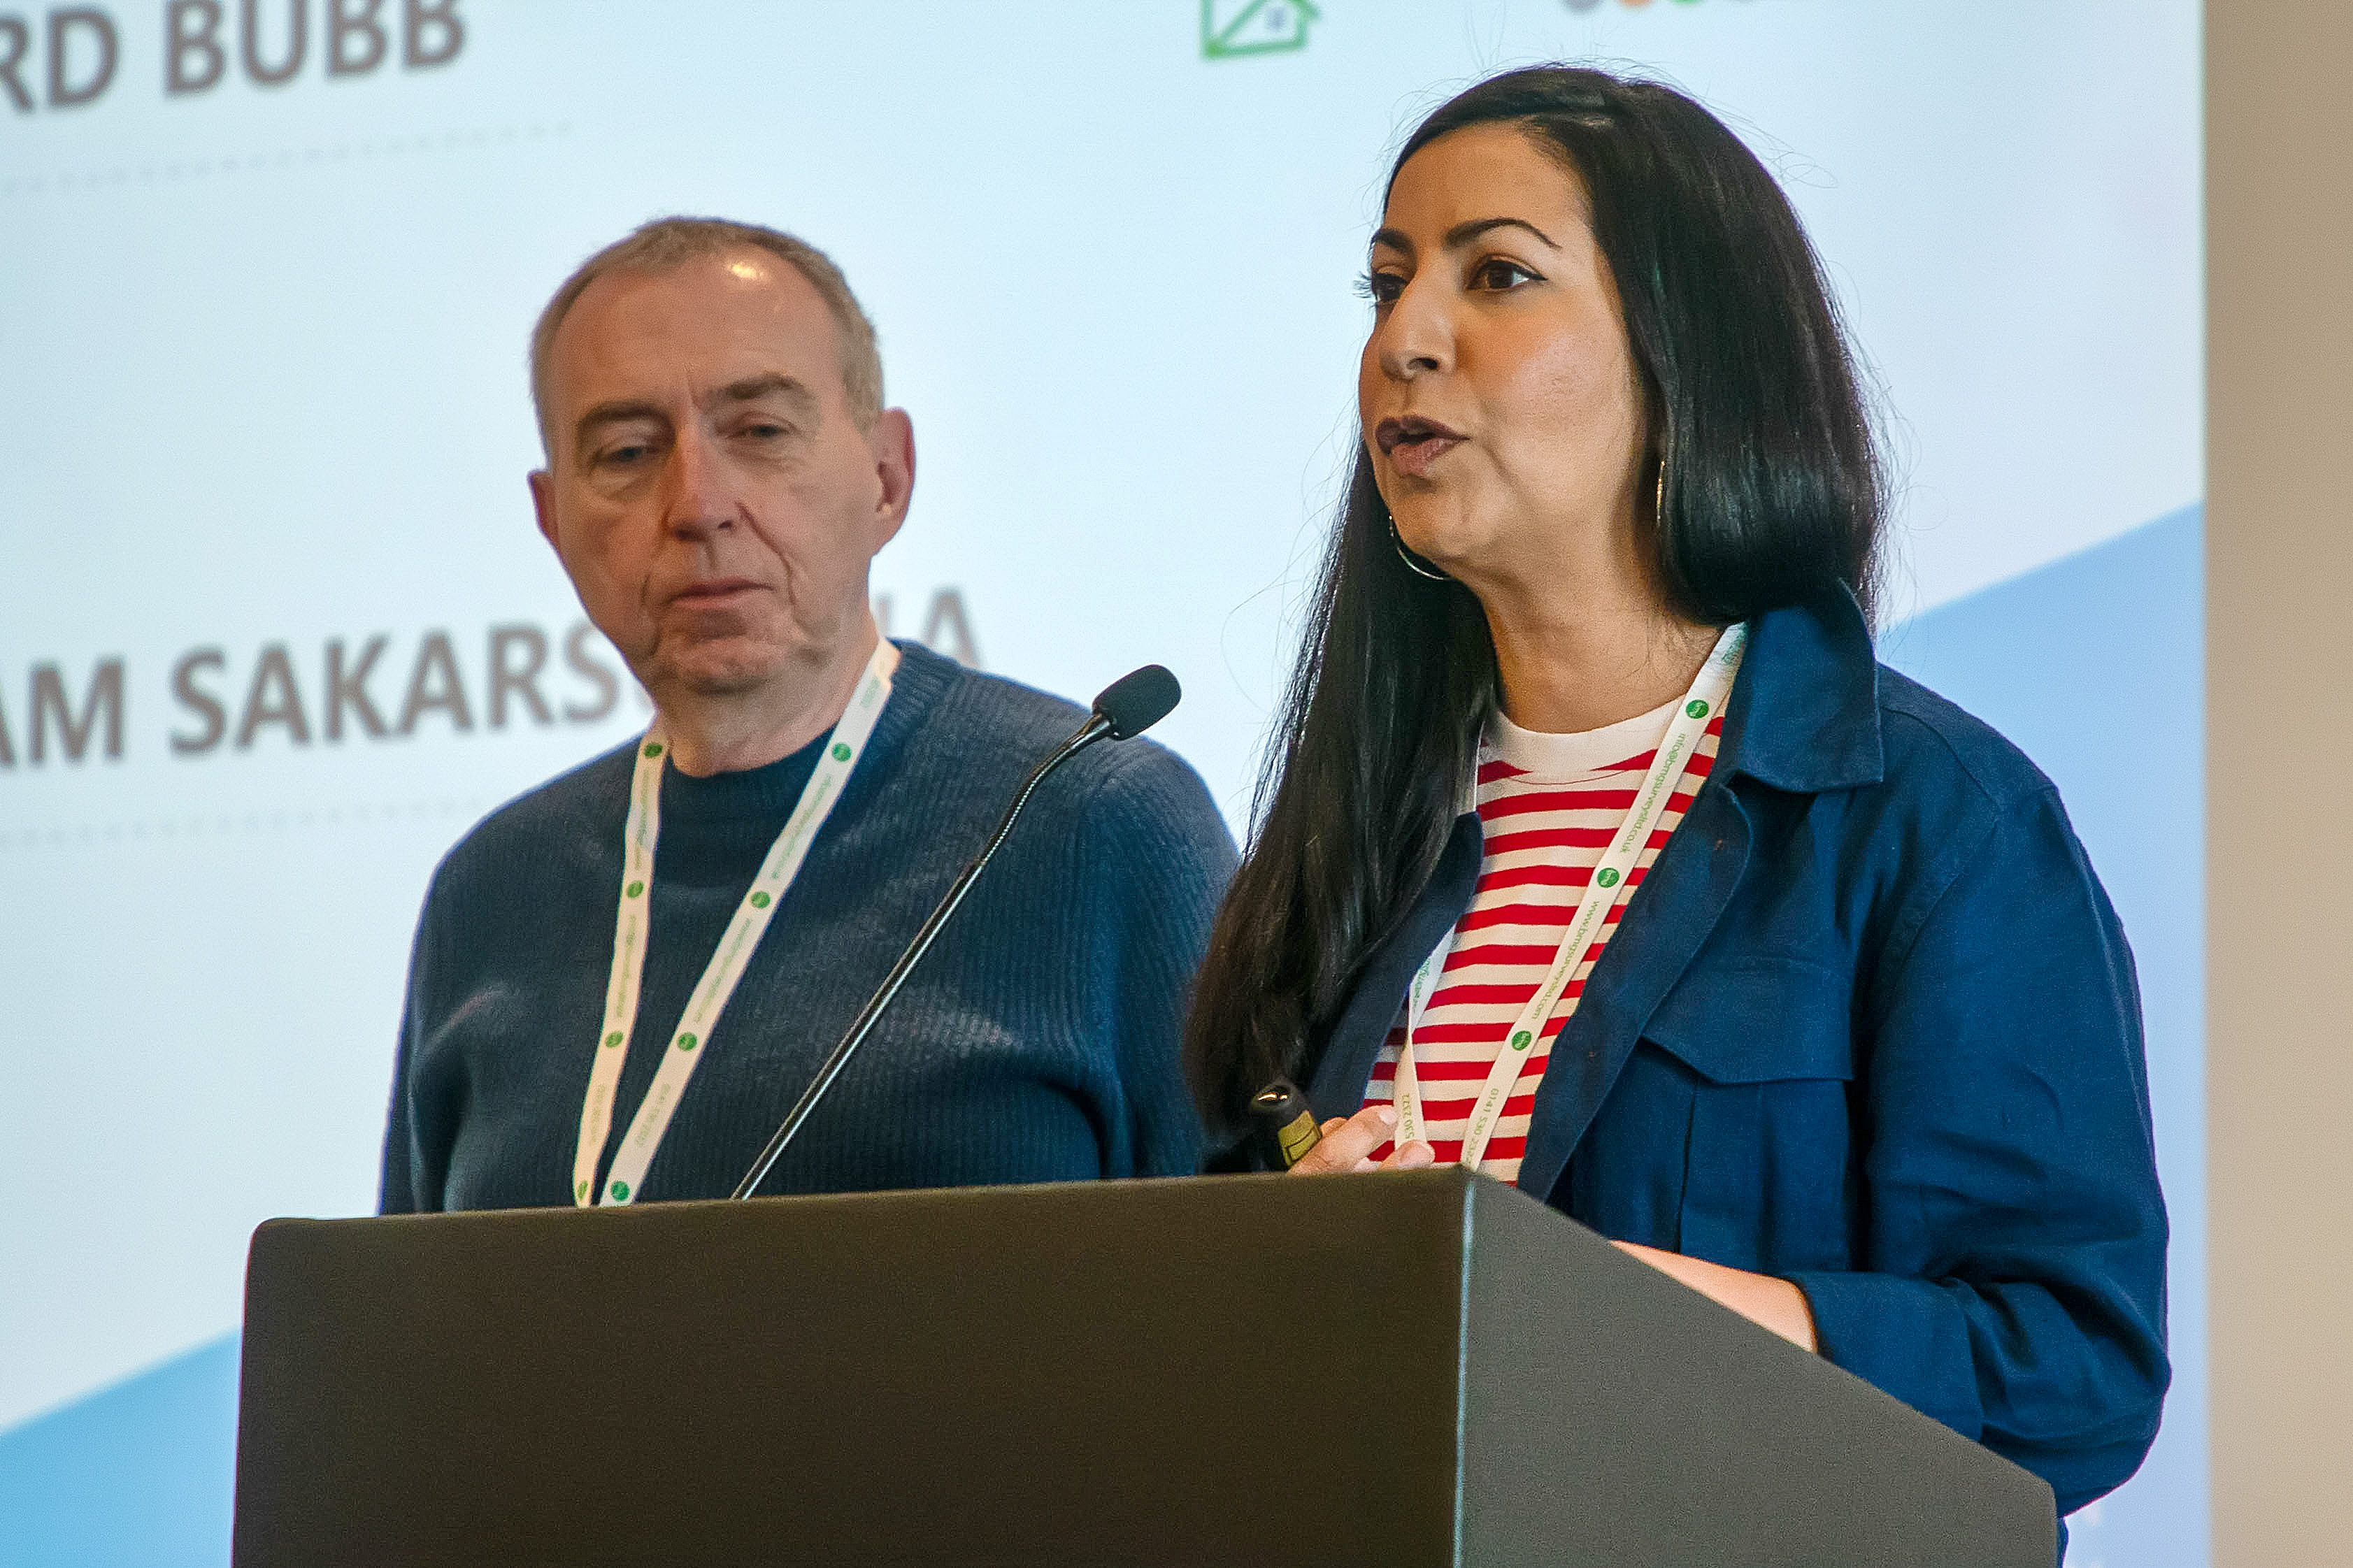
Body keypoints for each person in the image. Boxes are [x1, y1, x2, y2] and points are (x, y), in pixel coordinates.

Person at [1185, 68, 2167, 1525]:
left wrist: (1597, 1308)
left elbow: (2067, 1373)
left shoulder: (1934, 820)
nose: (1405, 341)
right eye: (1385, 286)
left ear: (1683, 349)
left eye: (1496, 276)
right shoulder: (1358, 827)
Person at [381, 216, 1236, 1213]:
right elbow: (406, 1310)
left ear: (887, 477)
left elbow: (1262, 1282)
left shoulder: (1096, 819)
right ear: (552, 519)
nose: (697, 504)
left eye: (759, 433)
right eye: (627, 451)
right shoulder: (490, 889)